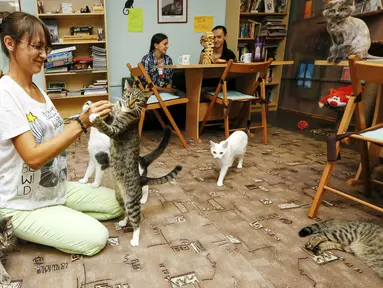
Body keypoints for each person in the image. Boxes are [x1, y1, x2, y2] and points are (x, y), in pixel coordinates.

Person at [0, 12, 123, 256]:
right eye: (37, 47)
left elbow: (55, 130)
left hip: (53, 189)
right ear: (10, 43)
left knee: (120, 202)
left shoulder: (38, 90)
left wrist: (84, 116)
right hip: (21, 203)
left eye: (46, 48)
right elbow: (33, 159)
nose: (44, 55)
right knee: (96, 238)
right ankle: (17, 225)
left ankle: (60, 218)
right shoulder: (5, 95)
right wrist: (82, 124)